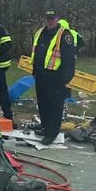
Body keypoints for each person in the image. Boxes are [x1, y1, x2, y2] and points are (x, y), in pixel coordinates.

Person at [31, 10, 75, 145]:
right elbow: (36, 52)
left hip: (56, 77)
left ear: (57, 19)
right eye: (48, 18)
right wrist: (35, 70)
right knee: (43, 104)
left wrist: (65, 79)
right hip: (41, 75)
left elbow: (69, 60)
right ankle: (45, 127)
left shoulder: (64, 35)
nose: (50, 21)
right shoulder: (40, 32)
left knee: (55, 106)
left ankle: (52, 133)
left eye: (53, 18)